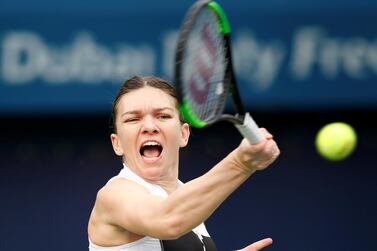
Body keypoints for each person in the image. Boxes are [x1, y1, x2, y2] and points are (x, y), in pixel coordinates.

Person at [87, 76, 280, 251]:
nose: (149, 127)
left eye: (163, 116)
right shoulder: (114, 194)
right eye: (133, 119)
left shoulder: (185, 200)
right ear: (117, 143)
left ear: (183, 134)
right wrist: (241, 163)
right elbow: (168, 220)